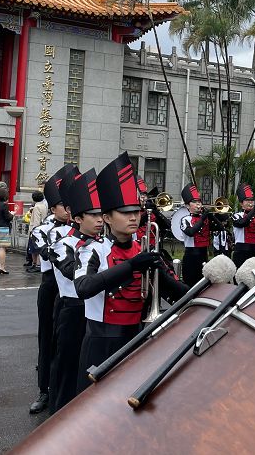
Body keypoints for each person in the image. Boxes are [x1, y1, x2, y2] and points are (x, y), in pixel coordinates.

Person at [74, 152, 187, 394]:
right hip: (101, 342)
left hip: (137, 339)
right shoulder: (92, 250)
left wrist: (209, 285)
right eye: (125, 212)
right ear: (107, 218)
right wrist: (132, 266)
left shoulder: (144, 249)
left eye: (136, 210)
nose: (134, 216)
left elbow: (176, 295)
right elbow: (83, 287)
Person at [27, 165, 74, 414]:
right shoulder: (43, 229)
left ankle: (64, 389)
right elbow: (43, 250)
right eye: (64, 205)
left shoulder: (80, 227)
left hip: (73, 288)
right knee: (46, 338)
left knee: (66, 341)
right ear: (53, 207)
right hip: (51, 286)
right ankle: (44, 390)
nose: (69, 210)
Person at [47, 167, 86, 413]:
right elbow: (76, 274)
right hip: (70, 306)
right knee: (65, 364)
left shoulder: (101, 242)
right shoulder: (61, 242)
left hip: (93, 311)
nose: (100, 218)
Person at [178, 184, 222, 287]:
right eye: (194, 202)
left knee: (204, 285)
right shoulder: (185, 219)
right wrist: (203, 218)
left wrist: (212, 217)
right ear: (188, 206)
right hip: (191, 256)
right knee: (190, 284)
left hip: (203, 254)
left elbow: (221, 228)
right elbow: (191, 232)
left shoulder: (205, 218)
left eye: (199, 202)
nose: (198, 204)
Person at [231, 183, 255, 268]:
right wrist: (254, 210)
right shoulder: (236, 215)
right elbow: (243, 223)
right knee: (240, 278)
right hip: (241, 252)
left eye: (252, 200)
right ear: (241, 204)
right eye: (247, 200)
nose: (250, 202)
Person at [25, 190, 48, 271]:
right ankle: (35, 264)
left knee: (34, 249)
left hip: (36, 230)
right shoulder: (44, 206)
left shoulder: (36, 207)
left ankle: (36, 264)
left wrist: (33, 231)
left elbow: (36, 221)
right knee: (37, 248)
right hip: (43, 228)